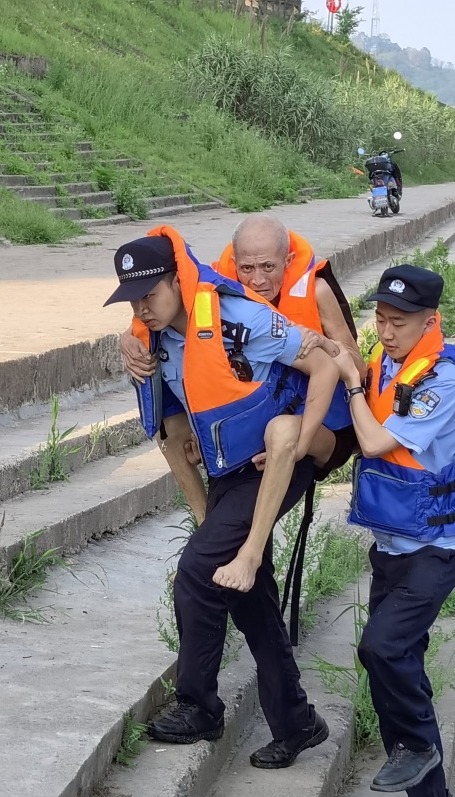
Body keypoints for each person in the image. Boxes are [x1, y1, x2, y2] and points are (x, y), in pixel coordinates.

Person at [104, 225, 338, 768]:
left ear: (179, 282)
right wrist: (204, 512)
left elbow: (324, 363)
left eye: (150, 294)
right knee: (246, 591)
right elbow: (171, 433)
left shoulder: (242, 319)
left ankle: (200, 706)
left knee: (198, 574)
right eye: (133, 300)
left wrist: (302, 438)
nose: (142, 308)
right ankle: (297, 720)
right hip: (228, 469)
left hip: (274, 460)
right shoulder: (156, 340)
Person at [118, 215, 364, 593]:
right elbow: (159, 311)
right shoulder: (220, 292)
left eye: (268, 267)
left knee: (280, 435)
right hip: (255, 420)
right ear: (233, 263)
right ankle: (230, 552)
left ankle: (240, 555)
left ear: (286, 260)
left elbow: (354, 365)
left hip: (321, 424)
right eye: (246, 268)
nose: (257, 280)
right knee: (170, 429)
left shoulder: (314, 291)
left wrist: (325, 347)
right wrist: (127, 339)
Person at [331, 264, 455, 797]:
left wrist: (351, 384)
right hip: (394, 542)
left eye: (399, 322)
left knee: (381, 647)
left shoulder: (443, 380)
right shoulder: (387, 362)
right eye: (380, 318)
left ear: (431, 321)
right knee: (397, 661)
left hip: (440, 546)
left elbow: (373, 439)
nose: (386, 331)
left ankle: (416, 746)